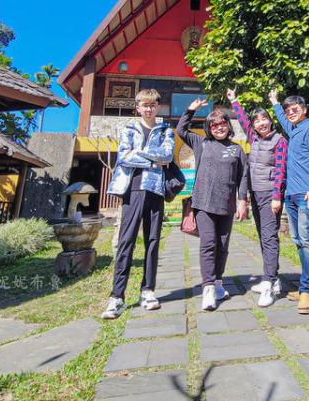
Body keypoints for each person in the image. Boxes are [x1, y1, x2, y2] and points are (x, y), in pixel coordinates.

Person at [101, 89, 175, 319]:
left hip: (155, 189)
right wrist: (152, 157)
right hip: (132, 189)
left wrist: (141, 152)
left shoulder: (165, 131)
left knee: (153, 241)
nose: (149, 109)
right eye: (145, 105)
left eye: (153, 105)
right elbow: (123, 156)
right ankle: (117, 296)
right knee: (126, 241)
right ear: (138, 107)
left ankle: (148, 290)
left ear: (158, 107)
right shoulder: (129, 129)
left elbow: (168, 156)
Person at [177, 98, 249, 311]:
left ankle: (218, 282)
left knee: (223, 246)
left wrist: (242, 201)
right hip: (203, 203)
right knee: (208, 243)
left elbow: (242, 178)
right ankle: (207, 288)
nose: (219, 128)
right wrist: (190, 109)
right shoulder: (202, 143)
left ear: (229, 125)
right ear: (209, 128)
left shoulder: (237, 150)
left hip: (226, 205)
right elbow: (181, 130)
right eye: (214, 125)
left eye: (223, 123)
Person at [227, 88, 287, 307]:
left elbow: (280, 169)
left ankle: (269, 284)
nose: (261, 123)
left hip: (270, 194)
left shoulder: (279, 140)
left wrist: (276, 197)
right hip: (256, 193)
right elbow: (242, 119)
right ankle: (273, 278)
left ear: (270, 121)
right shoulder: (253, 137)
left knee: (269, 237)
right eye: (257, 121)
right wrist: (234, 101)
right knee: (263, 236)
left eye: (265, 119)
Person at [270, 89, 309, 315]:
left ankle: (307, 291)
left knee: (307, 241)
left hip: (306, 195)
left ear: (304, 110)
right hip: (291, 195)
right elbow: (283, 120)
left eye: (295, 110)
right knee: (298, 240)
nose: (290, 114)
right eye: (287, 111)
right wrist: (274, 102)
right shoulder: (294, 131)